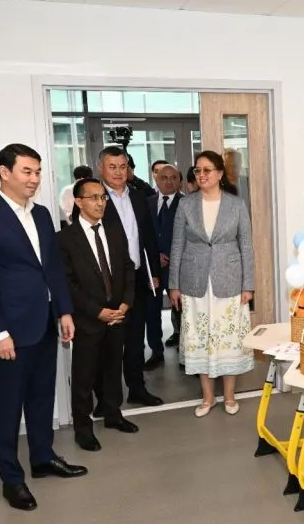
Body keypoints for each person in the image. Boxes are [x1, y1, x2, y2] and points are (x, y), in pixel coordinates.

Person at [0, 144, 87, 512]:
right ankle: (11, 479)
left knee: (42, 397)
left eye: (37, 172)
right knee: (8, 406)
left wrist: (64, 311)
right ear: (4, 172)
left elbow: (53, 269)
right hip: (10, 332)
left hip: (44, 322)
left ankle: (43, 458)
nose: (34, 179)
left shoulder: (42, 215)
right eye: (26, 172)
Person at [169, 150, 255, 417]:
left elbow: (246, 246)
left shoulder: (236, 204)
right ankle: (208, 398)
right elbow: (177, 246)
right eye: (198, 170)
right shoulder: (186, 205)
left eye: (207, 170)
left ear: (219, 174)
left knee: (227, 339)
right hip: (194, 282)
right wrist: (174, 284)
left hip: (228, 281)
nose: (201, 175)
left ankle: (229, 396)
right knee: (200, 339)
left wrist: (248, 285)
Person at [57, 178, 139, 452]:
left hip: (117, 315)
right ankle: (83, 428)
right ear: (78, 202)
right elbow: (68, 283)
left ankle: (113, 414)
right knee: (84, 376)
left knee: (113, 369)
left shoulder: (114, 230)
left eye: (103, 197)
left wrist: (126, 302)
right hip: (88, 319)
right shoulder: (65, 239)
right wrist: (96, 311)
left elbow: (128, 267)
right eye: (93, 197)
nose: (100, 203)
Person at [99, 147, 164, 408]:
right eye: (112, 166)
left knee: (136, 339)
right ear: (101, 168)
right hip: (107, 283)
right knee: (109, 344)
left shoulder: (138, 197)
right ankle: (106, 399)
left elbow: (148, 237)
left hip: (137, 279)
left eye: (123, 166)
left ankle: (137, 388)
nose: (118, 172)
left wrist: (154, 273)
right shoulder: (94, 197)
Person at [148, 164, 184, 352]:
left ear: (179, 181)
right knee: (152, 312)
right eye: (164, 177)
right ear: (156, 179)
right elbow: (141, 235)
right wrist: (155, 256)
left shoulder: (187, 204)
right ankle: (156, 351)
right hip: (152, 269)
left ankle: (185, 352)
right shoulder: (147, 203)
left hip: (178, 268)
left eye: (173, 177)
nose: (169, 181)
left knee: (181, 311)